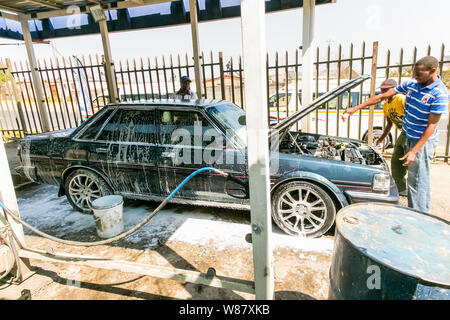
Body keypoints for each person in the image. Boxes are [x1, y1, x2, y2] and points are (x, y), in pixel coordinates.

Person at [346, 56, 449, 213]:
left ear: (432, 71)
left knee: (418, 180)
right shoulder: (413, 84)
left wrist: (414, 151)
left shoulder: (439, 93)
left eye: (419, 74)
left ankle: (419, 215)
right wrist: (356, 108)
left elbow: (432, 126)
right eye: (414, 73)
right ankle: (408, 200)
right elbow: (382, 96)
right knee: (402, 168)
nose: (415, 77)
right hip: (407, 134)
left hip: (422, 141)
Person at [345, 79, 407, 196]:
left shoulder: (401, 99)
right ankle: (401, 189)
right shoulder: (386, 105)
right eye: (382, 90)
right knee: (396, 161)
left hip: (411, 133)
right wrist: (382, 138)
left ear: (393, 89)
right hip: (403, 133)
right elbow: (389, 123)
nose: (383, 92)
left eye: (385, 90)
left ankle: (412, 191)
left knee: (410, 164)